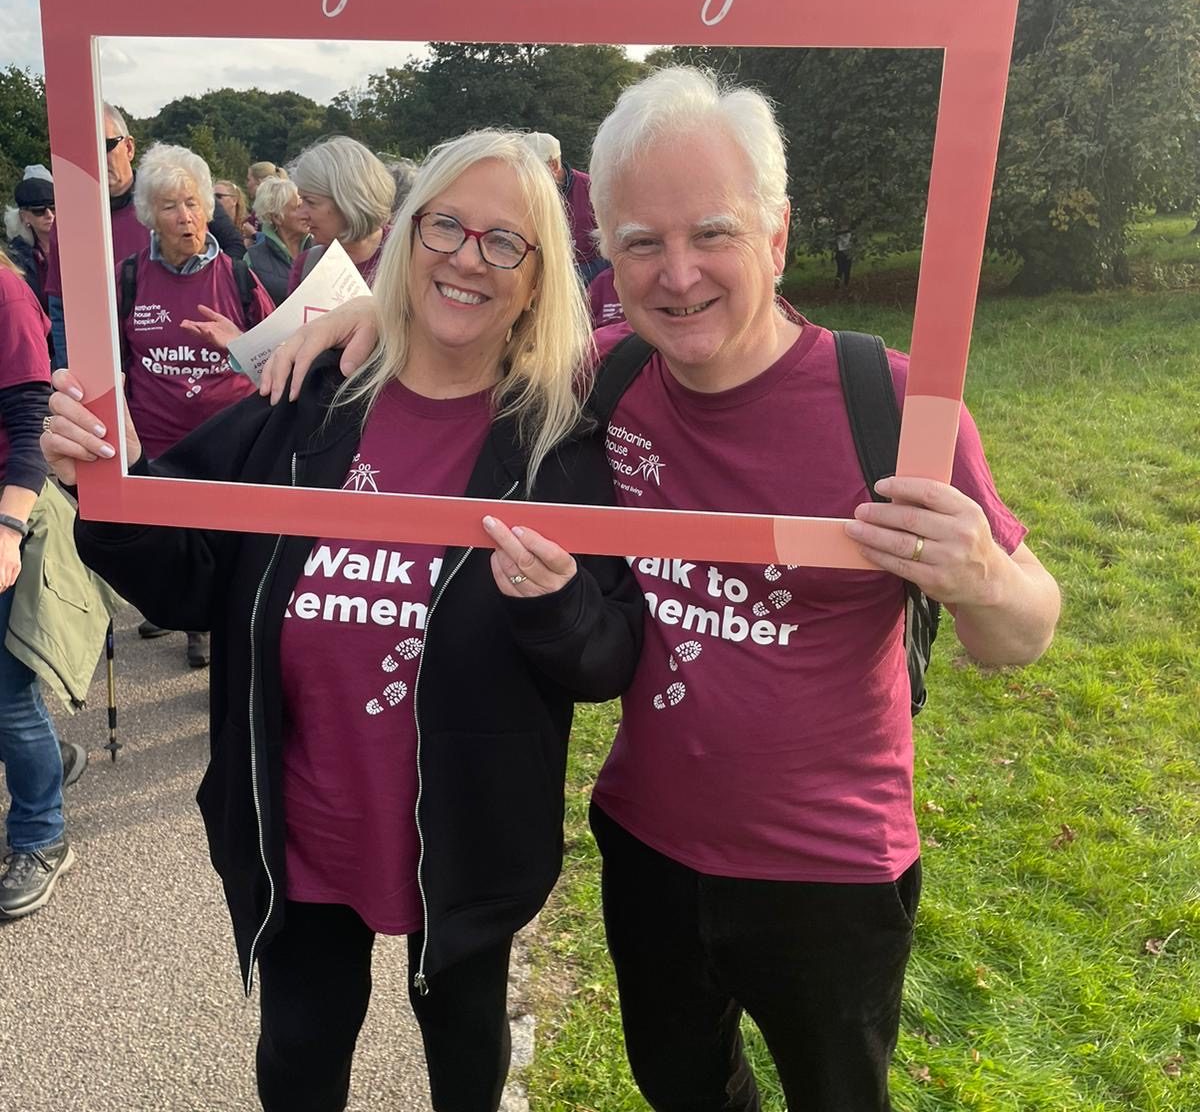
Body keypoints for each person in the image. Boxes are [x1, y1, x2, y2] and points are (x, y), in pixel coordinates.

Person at [264, 67, 1062, 1112]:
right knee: (683, 1088)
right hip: (648, 846)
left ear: (777, 237)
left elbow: (1021, 635)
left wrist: (983, 576)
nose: (677, 274)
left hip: (831, 868)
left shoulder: (896, 404)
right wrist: (361, 314)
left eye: (712, 234)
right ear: (608, 257)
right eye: (641, 242)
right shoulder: (600, 380)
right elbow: (462, 321)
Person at [43, 129, 642, 1112]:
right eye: (445, 225)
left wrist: (560, 604)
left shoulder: (558, 447)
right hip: (307, 828)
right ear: (406, 238)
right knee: (298, 1060)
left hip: (466, 842)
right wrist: (109, 489)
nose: (466, 256)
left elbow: (607, 655)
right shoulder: (310, 400)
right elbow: (194, 573)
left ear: (537, 281)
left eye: (505, 242)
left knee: (465, 1063)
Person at [119, 143, 274, 669]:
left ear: (208, 206)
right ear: (150, 216)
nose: (185, 217)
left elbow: (272, 357)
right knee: (167, 535)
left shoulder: (237, 276)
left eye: (192, 202)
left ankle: (210, 624)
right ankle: (179, 609)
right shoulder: (131, 278)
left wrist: (237, 345)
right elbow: (117, 359)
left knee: (223, 535)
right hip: (159, 442)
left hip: (228, 439)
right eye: (170, 207)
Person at [0, 247, 85, 917]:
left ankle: (41, 835)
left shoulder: (7, 294)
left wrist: (7, 528)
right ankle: (49, 758)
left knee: (6, 693)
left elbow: (32, 424)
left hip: (6, 513)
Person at [44, 103, 246, 371]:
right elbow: (61, 308)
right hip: (112, 364)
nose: (95, 159)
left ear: (129, 148)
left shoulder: (175, 194)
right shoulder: (70, 220)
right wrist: (72, 372)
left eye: (105, 146)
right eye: (84, 150)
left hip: (192, 357)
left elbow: (232, 247)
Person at [284, 136, 395, 297]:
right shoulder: (308, 266)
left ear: (349, 202)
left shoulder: (411, 254)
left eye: (311, 202)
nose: (300, 214)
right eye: (301, 201)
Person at [526, 131, 607, 285]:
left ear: (554, 165)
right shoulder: (521, 194)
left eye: (533, 171)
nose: (527, 178)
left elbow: (612, 249)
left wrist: (576, 277)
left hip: (590, 286)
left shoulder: (592, 190)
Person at [243, 176, 314, 306]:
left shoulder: (322, 249)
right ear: (277, 217)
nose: (307, 214)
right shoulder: (253, 260)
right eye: (298, 207)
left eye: (306, 205)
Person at [4, 166, 55, 319]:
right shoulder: (15, 258)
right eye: (39, 210)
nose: (49, 215)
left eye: (54, 207)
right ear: (24, 216)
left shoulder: (78, 245)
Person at [244, 161, 285, 242]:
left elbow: (277, 242)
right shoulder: (258, 209)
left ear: (260, 182)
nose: (247, 185)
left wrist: (253, 234)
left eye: (249, 180)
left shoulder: (274, 209)